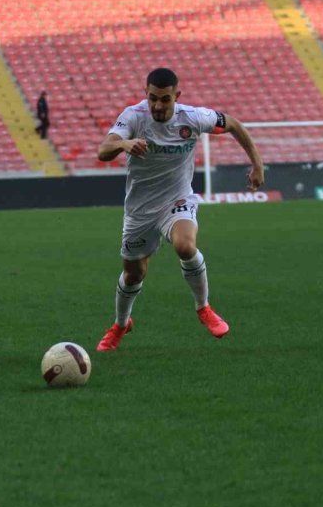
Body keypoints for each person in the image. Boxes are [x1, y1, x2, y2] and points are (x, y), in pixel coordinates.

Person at [95, 68, 264, 352]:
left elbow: (233, 124)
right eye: (152, 99)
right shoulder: (134, 116)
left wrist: (257, 165)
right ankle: (121, 324)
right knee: (134, 274)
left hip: (177, 200)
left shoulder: (193, 118)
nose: (158, 105)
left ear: (177, 96)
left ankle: (203, 307)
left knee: (185, 246)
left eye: (164, 99)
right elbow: (103, 150)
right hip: (140, 209)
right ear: (145, 95)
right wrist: (125, 143)